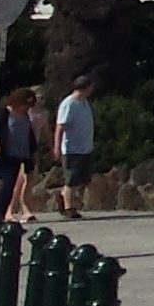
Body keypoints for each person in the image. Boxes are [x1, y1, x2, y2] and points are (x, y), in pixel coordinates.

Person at [52, 74, 95, 221]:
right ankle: (68, 208)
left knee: (82, 179)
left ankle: (62, 197)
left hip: (85, 147)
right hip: (72, 148)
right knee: (72, 179)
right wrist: (57, 147)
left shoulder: (84, 102)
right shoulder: (69, 104)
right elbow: (60, 127)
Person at [0, 89, 36, 223]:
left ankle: (2, 214)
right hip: (5, 155)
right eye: (25, 104)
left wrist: (32, 152)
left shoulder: (25, 116)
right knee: (7, 184)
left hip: (20, 154)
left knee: (11, 185)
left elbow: (29, 134)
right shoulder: (3, 113)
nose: (26, 108)